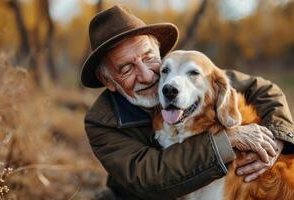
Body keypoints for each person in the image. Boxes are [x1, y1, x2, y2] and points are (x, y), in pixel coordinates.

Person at [81, 5, 294, 200]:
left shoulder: (190, 75)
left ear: (159, 53)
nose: (147, 76)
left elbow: (265, 90)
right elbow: (150, 178)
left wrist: (276, 138)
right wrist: (226, 139)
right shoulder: (101, 123)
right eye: (126, 68)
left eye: (148, 58)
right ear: (108, 81)